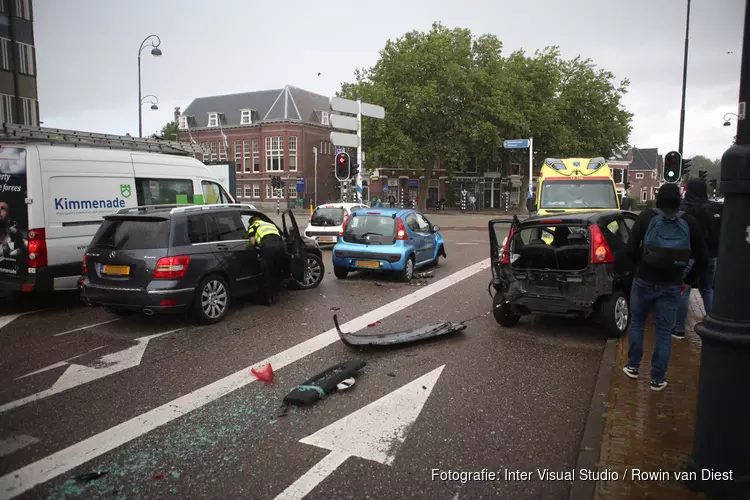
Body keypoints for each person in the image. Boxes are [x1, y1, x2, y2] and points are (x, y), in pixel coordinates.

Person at [622, 183, 708, 391]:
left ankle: (633, 367)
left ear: (658, 198)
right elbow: (703, 258)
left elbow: (631, 249)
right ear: (679, 199)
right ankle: (657, 379)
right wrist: (687, 281)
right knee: (663, 332)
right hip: (671, 284)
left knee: (637, 324)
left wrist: (639, 267)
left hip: (643, 280)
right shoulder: (689, 222)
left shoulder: (645, 218)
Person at [672, 178, 722, 339]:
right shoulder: (715, 207)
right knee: (707, 290)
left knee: (683, 290)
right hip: (711, 256)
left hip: (691, 255)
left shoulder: (686, 209)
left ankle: (679, 329)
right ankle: (714, 325)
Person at [247, 216, 285, 306]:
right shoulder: (270, 224)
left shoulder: (253, 226)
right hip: (280, 247)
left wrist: (257, 246)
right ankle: (275, 297)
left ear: (252, 222)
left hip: (268, 248)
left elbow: (252, 242)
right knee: (275, 272)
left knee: (266, 273)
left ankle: (268, 300)